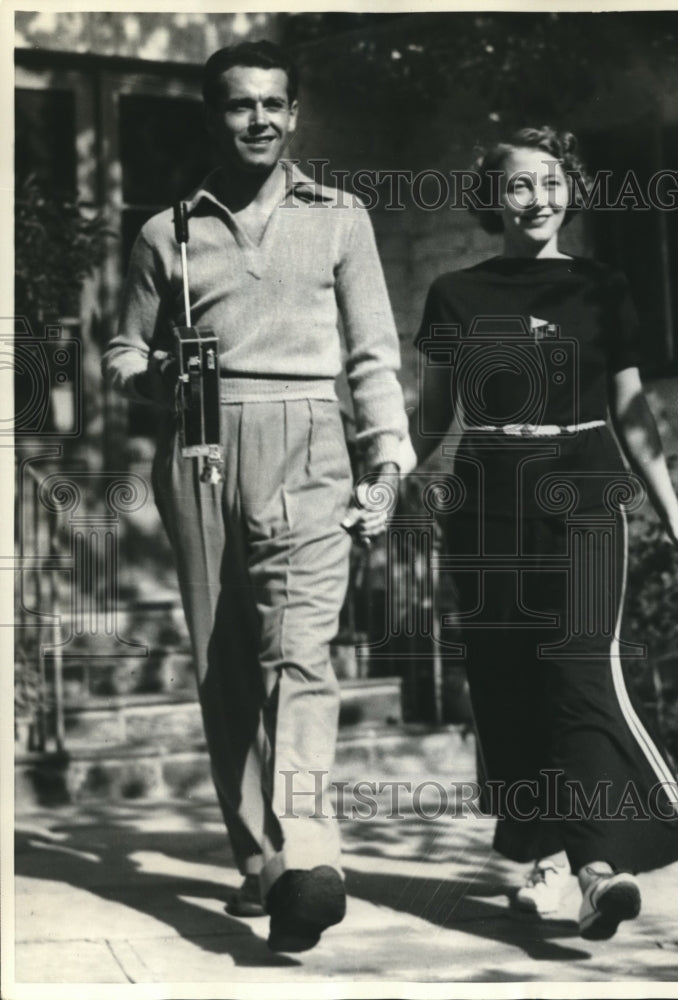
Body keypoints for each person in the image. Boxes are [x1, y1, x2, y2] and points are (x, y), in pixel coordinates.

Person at [102, 40, 412, 953]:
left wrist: (386, 463)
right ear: (213, 115)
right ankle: (259, 859)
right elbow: (120, 353)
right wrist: (155, 373)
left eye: (275, 104)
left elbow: (372, 357)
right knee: (225, 659)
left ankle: (310, 852)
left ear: (295, 113)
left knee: (302, 651)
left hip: (311, 438)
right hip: (200, 444)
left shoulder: (340, 216)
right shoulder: (167, 231)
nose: (260, 120)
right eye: (240, 105)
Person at [411, 126, 678, 940]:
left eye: (552, 182)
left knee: (581, 674)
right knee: (508, 685)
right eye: (519, 185)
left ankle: (594, 870)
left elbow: (630, 409)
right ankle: (544, 857)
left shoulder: (601, 287)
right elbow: (433, 415)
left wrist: (675, 517)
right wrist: (394, 484)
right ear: (493, 197)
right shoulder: (455, 293)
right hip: (485, 501)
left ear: (571, 191)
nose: (538, 199)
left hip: (582, 491)